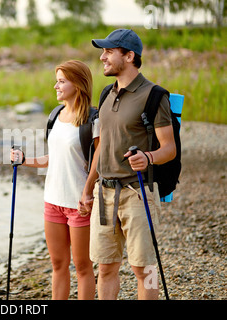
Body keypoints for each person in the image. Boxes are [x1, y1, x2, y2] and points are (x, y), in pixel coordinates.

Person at [87, 29, 176, 300]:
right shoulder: (106, 94)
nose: (102, 57)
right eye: (102, 51)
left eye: (108, 51)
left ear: (129, 56)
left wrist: (147, 157)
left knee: (144, 268)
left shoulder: (153, 96)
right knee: (105, 267)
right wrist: (88, 187)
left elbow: (168, 148)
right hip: (104, 193)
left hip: (138, 193)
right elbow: (101, 146)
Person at [11, 60, 99, 300]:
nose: (56, 86)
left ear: (78, 84)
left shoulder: (93, 119)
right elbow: (55, 158)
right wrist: (25, 159)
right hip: (52, 201)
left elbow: (98, 163)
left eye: (61, 81)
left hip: (79, 205)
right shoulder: (55, 115)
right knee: (58, 265)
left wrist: (87, 191)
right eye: (57, 80)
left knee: (82, 268)